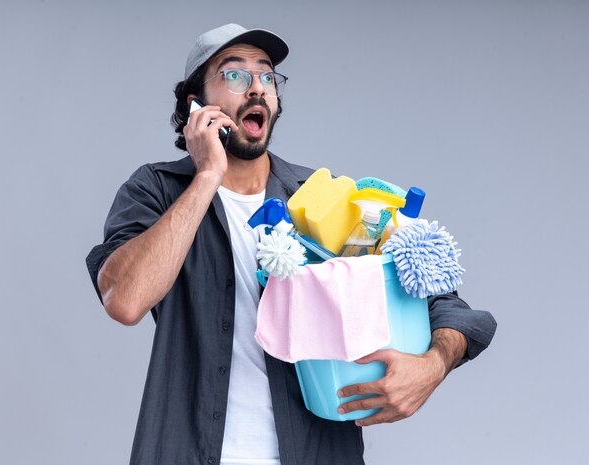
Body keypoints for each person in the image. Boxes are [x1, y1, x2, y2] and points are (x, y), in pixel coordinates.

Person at [86, 23, 497, 465]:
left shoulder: (321, 197)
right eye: (235, 75)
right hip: (189, 450)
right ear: (196, 105)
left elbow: (445, 302)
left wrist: (432, 365)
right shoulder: (158, 190)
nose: (257, 89)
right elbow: (124, 300)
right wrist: (207, 175)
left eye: (267, 76)